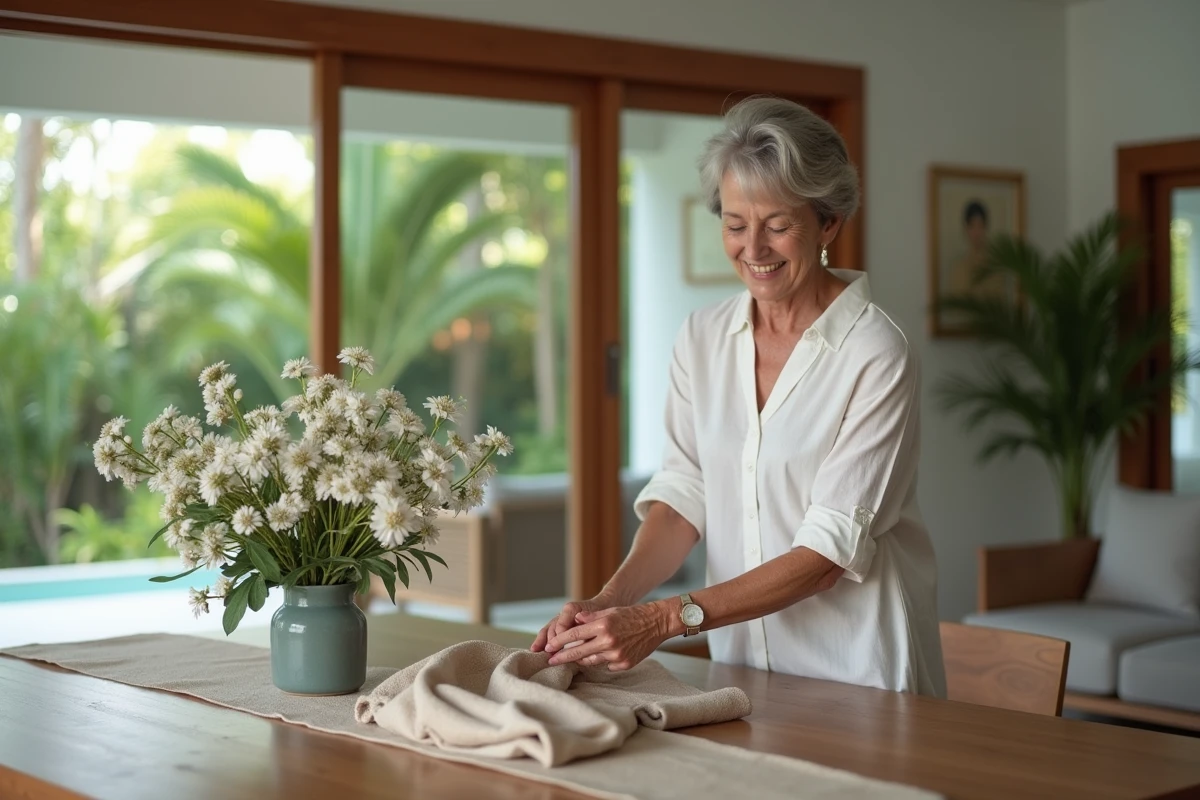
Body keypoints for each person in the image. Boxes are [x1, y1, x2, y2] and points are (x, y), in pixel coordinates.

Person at [530, 96, 946, 697]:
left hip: (859, 673)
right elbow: (683, 498)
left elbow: (828, 552)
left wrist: (663, 619)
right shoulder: (702, 338)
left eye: (778, 225)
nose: (753, 249)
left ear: (828, 222)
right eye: (734, 224)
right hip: (743, 670)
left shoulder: (876, 352)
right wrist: (606, 604)